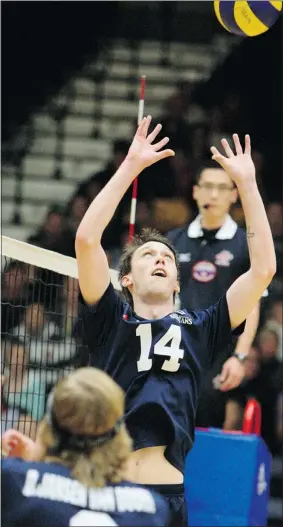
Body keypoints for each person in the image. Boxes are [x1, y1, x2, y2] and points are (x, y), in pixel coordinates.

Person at [75, 115, 276, 526]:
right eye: (149, 255)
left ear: (177, 280)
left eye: (167, 256)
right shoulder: (111, 316)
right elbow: (86, 240)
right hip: (106, 488)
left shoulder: (201, 328)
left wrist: (249, 186)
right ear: (126, 278)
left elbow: (262, 271)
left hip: (165, 498)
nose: (161, 259)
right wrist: (130, 167)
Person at [2, 367, 172, 527]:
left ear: (47, 430)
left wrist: (33, 464)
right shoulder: (152, 510)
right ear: (119, 439)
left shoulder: (13, 482)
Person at [166, 160, 262, 428]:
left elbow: (251, 304)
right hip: (176, 345)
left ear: (234, 195)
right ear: (195, 191)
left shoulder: (245, 244)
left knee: (206, 423)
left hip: (221, 352)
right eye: (207, 186)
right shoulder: (174, 240)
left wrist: (240, 357)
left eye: (222, 188)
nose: (214, 194)